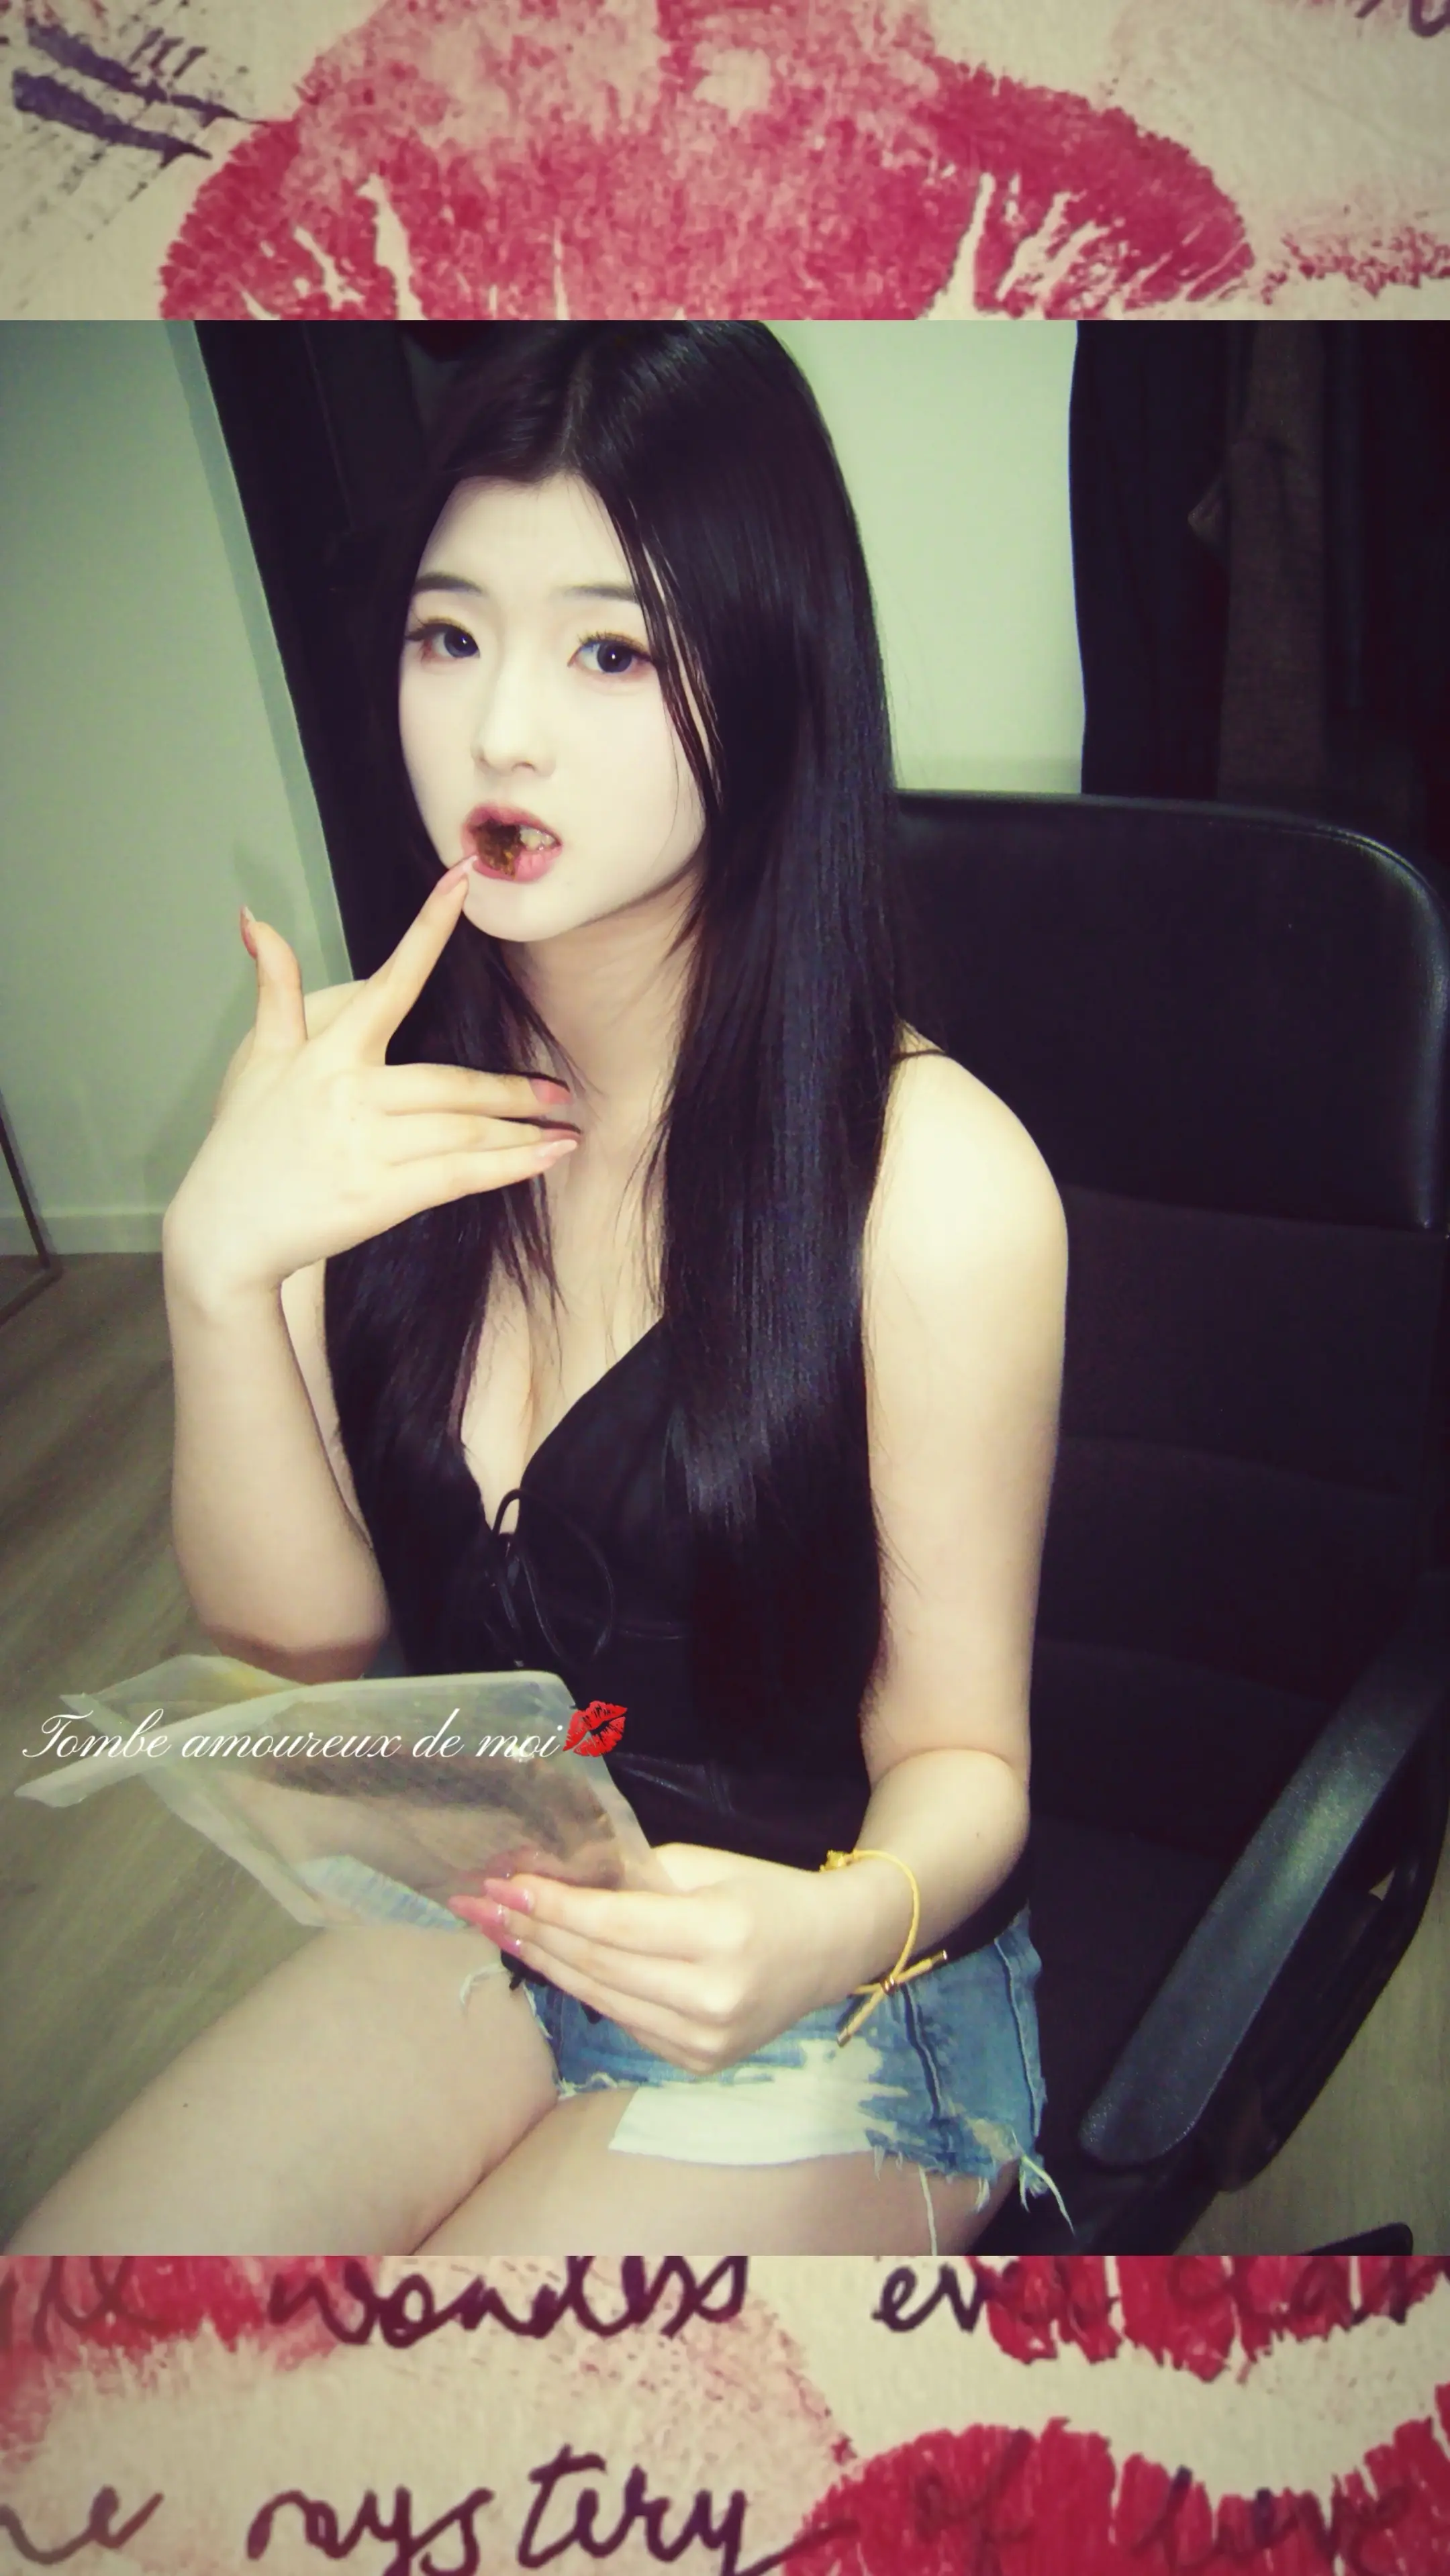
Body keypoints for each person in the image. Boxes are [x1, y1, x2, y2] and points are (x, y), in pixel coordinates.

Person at [5, 322, 1069, 2257]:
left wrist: (827, 1923)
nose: (501, 732)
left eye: (609, 652)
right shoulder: (352, 1105)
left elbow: (964, 1762)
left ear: (771, 677)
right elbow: (310, 1669)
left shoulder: (932, 1185)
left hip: (845, 1982)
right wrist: (218, 1275)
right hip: (501, 1913)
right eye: (450, 635)